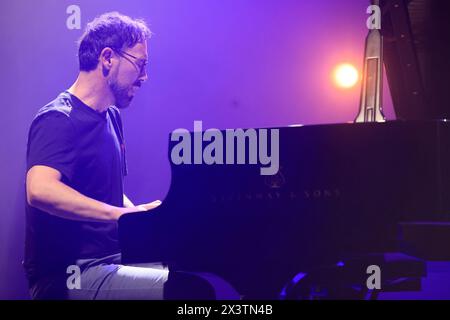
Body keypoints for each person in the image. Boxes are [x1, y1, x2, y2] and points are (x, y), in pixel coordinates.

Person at [23, 11, 208, 300]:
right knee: (190, 291)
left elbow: (108, 196)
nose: (144, 77)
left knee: (192, 267)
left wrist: (141, 216)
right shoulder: (58, 118)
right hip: (68, 276)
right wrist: (121, 215)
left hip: (111, 260)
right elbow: (39, 190)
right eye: (140, 65)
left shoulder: (111, 116)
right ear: (108, 58)